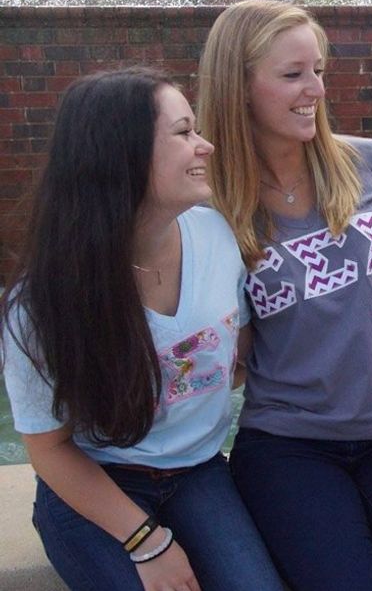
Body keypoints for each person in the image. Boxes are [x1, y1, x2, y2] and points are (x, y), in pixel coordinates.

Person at [195, 0, 372, 591]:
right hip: (289, 447)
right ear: (238, 85)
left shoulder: (371, 163)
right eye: (293, 74)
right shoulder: (209, 207)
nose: (316, 90)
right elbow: (228, 354)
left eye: (319, 70)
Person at [0, 67, 283, 591]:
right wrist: (146, 543)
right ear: (122, 153)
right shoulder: (40, 304)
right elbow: (48, 447)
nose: (206, 145)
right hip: (96, 485)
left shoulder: (219, 237)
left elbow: (237, 361)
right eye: (184, 132)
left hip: (198, 474)